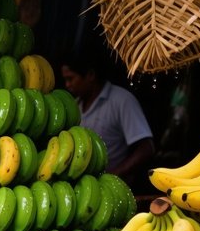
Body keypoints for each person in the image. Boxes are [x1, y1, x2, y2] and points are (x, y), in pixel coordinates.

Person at [61, 51, 155, 189]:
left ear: (90, 75)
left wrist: (112, 175)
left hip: (115, 189)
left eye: (71, 79)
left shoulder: (122, 101)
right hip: (82, 188)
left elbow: (146, 148)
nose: (67, 85)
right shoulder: (75, 106)